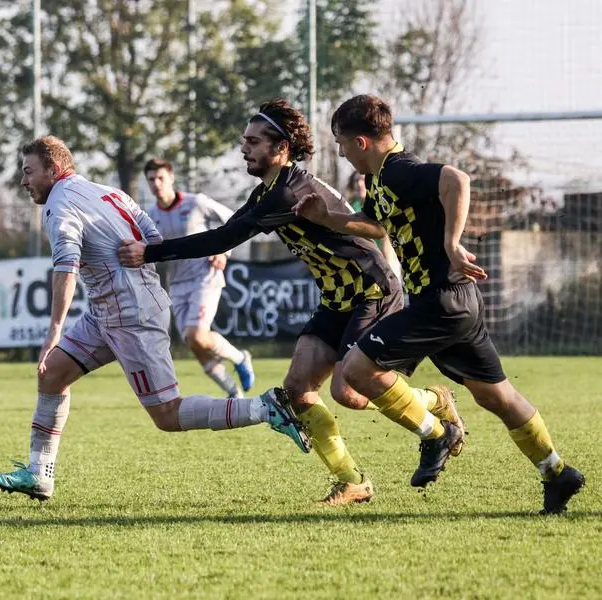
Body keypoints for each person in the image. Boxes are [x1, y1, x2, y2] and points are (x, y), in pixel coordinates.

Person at [118, 99, 464, 506]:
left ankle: (435, 411)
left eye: (253, 141)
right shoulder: (267, 190)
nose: (244, 149)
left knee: (347, 391)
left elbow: (223, 239)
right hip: (337, 299)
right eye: (244, 141)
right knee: (297, 391)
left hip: (370, 288)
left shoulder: (287, 193)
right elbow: (228, 230)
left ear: (280, 147)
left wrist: (149, 252)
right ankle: (352, 481)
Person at [293, 94, 584, 513]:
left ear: (360, 141)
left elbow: (456, 179)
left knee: (357, 368)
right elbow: (376, 225)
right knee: (495, 396)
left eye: (339, 142)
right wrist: (326, 218)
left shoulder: (399, 169)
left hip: (440, 303)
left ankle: (436, 433)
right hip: (454, 303)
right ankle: (557, 473)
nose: (339, 151)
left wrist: (451, 241)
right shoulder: (380, 179)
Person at [0, 136, 308, 502]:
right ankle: (39, 474)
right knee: (52, 373)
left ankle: (265, 408)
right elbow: (149, 233)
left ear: (54, 170)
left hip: (130, 316)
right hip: (109, 310)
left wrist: (54, 331)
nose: (24, 181)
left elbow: (66, 267)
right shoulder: (108, 192)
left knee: (167, 415)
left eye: (28, 172)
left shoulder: (58, 205)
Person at [144, 158, 254, 399]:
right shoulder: (151, 216)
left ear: (171, 177)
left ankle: (239, 357)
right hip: (178, 284)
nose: (156, 184)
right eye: (151, 179)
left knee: (197, 335)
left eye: (161, 177)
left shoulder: (196, 203)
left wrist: (224, 251)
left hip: (205, 277)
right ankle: (233, 392)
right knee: (195, 344)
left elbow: (234, 220)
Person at [347, 172, 402, 281]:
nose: (359, 184)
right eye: (356, 181)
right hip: (364, 262)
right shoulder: (353, 207)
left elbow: (386, 237)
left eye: (363, 180)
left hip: (386, 257)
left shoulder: (381, 203)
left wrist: (387, 265)